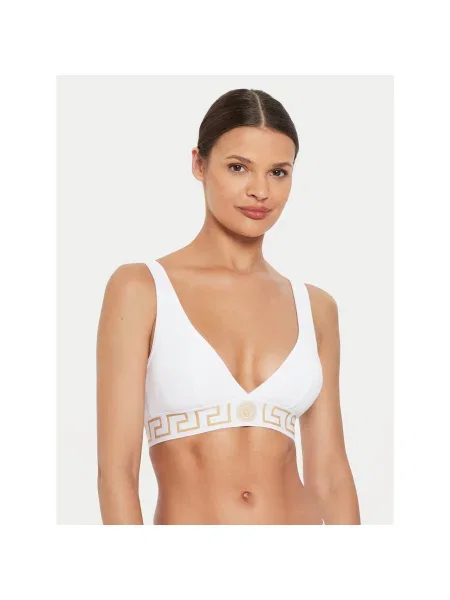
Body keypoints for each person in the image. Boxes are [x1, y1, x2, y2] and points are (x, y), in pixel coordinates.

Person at [96, 88, 361, 525]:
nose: (260, 190)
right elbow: (117, 474)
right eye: (239, 167)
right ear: (199, 164)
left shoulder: (315, 307)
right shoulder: (141, 289)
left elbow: (331, 476)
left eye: (278, 172)